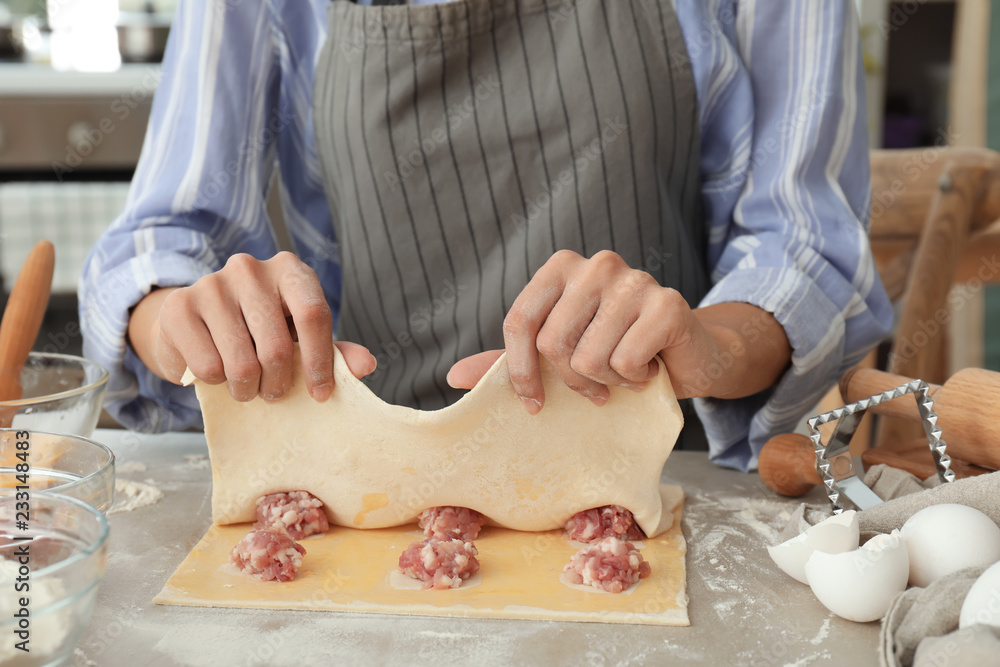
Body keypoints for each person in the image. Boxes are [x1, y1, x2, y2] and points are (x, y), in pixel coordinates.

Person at [80, 0, 893, 471]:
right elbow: (162, 236)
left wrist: (710, 343)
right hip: (361, 489)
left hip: (650, 485)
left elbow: (804, 244)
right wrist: (181, 314)